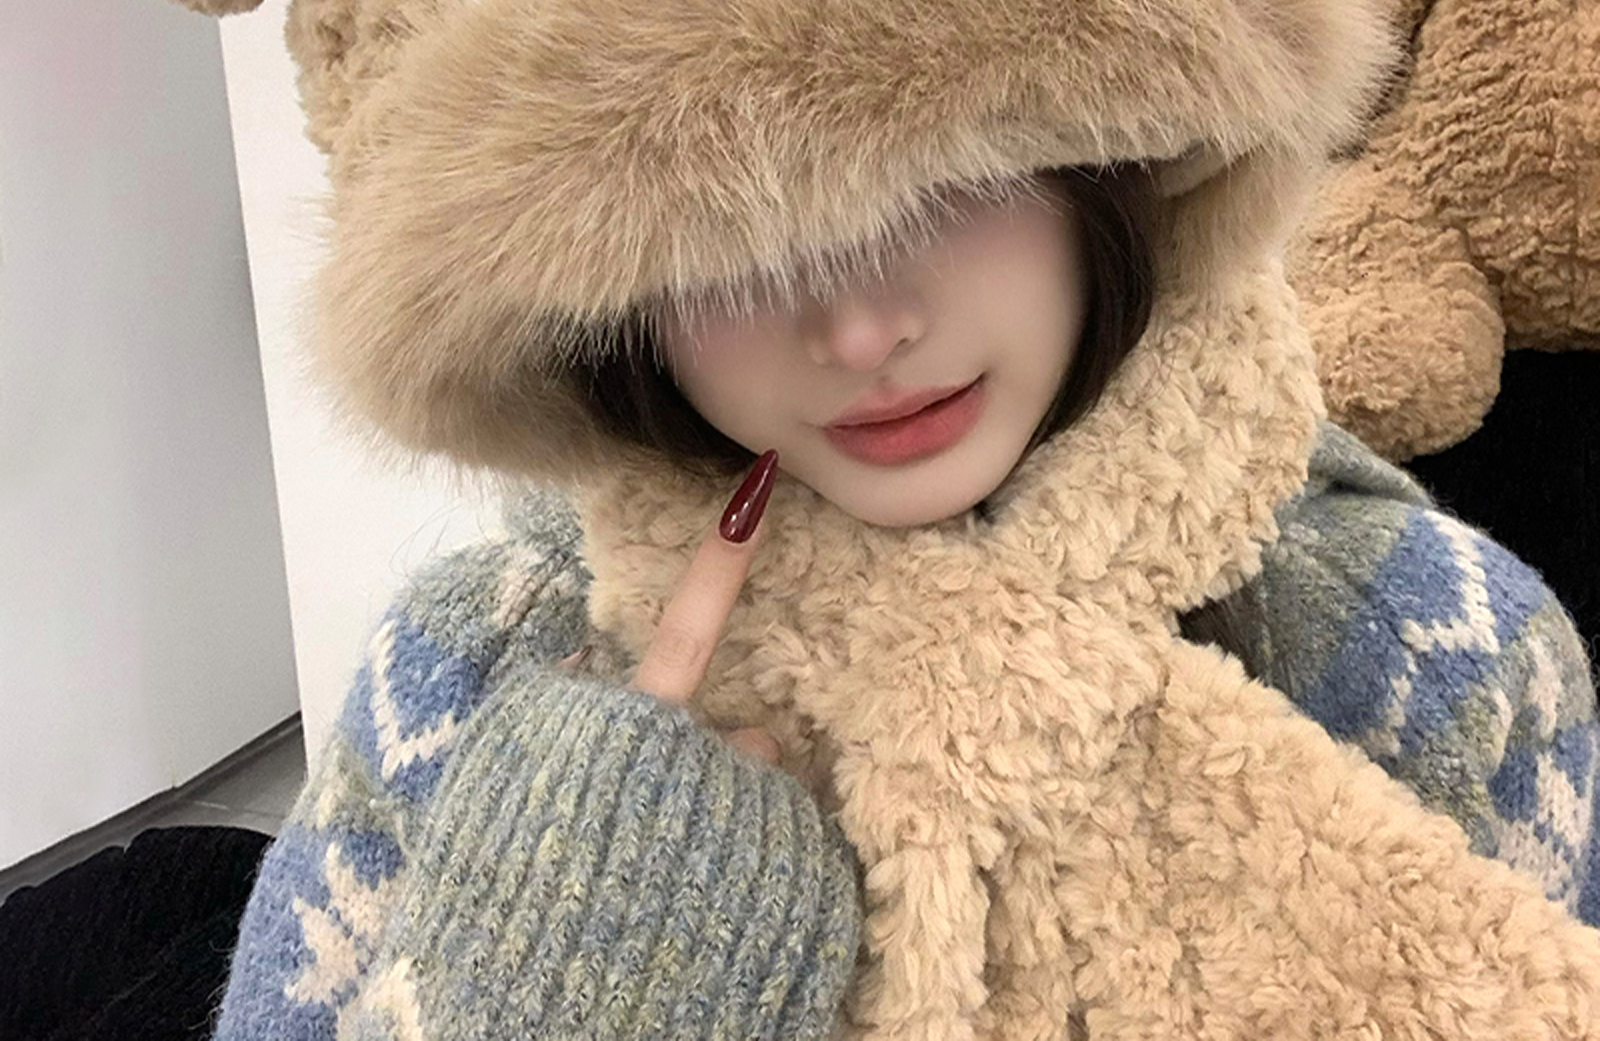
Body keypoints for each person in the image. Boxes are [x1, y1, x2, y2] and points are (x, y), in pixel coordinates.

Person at [212, 166, 1600, 1041]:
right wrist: (554, 983)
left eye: (945, 177)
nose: (860, 330)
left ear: (1108, 150)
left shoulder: (1433, 642)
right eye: (721, 230)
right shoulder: (482, 655)